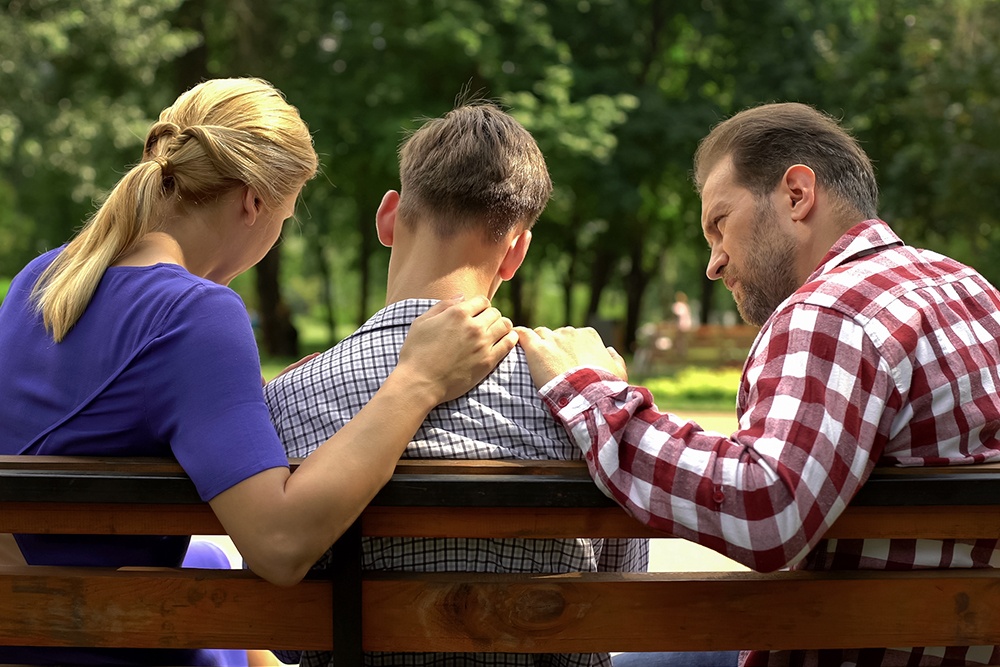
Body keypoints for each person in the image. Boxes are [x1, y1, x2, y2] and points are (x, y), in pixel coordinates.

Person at [0, 78, 516, 667]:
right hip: (96, 640)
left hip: (30, 617)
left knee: (211, 565)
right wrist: (417, 379)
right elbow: (279, 545)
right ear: (251, 203)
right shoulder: (195, 313)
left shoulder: (43, 278)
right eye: (284, 218)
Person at [517, 102, 1000, 667]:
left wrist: (590, 390)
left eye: (719, 224)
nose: (713, 264)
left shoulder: (832, 310)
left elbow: (766, 506)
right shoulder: (970, 289)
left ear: (797, 194)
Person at [264, 102, 649, 667]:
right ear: (516, 251)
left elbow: (288, 637)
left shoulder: (291, 397)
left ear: (388, 217)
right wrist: (612, 397)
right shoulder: (583, 401)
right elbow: (618, 602)